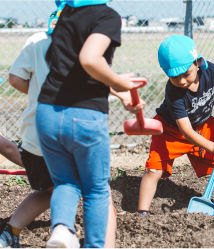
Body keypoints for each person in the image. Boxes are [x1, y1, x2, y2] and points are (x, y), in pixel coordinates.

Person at [35, 0, 143, 247]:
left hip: (47, 112)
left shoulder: (67, 13)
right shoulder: (107, 16)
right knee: (95, 190)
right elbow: (89, 59)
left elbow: (55, 59)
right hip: (84, 115)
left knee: (65, 182)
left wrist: (115, 89)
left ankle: (62, 230)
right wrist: (119, 83)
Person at [137, 35, 214, 215]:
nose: (181, 81)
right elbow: (185, 130)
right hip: (170, 132)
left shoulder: (210, 71)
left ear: (197, 62)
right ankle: (142, 213)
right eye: (174, 77)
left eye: (186, 74)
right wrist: (212, 146)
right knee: (153, 169)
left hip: (203, 128)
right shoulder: (173, 92)